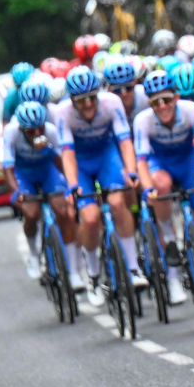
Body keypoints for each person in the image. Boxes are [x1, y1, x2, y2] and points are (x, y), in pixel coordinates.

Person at [55, 66, 145, 304]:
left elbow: (125, 143)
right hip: (81, 163)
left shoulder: (111, 102)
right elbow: (67, 153)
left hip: (107, 156)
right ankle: (94, 275)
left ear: (99, 93)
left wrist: (132, 172)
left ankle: (134, 268)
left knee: (117, 201)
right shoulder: (63, 112)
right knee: (91, 218)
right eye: (81, 100)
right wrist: (73, 184)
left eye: (91, 98)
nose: (87, 105)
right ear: (72, 99)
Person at [133, 70, 194, 305]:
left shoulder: (190, 110)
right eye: (156, 102)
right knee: (161, 185)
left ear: (176, 97)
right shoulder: (142, 120)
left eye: (167, 99)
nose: (163, 105)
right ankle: (169, 244)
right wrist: (148, 189)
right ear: (150, 104)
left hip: (188, 161)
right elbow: (142, 162)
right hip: (161, 163)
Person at [3, 102, 78, 285]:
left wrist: (68, 185)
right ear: (22, 129)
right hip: (24, 174)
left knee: (62, 212)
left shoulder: (50, 131)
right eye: (30, 131)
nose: (37, 133)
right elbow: (7, 168)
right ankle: (34, 255)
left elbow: (61, 161)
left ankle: (74, 271)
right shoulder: (11, 132)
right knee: (31, 212)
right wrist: (17, 192)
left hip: (47, 172)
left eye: (40, 128)